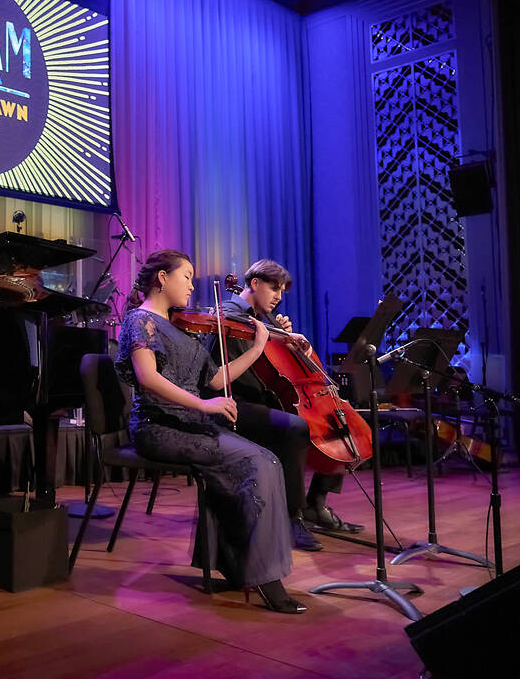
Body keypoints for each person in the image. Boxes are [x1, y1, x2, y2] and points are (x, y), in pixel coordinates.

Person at [116, 249, 306, 614]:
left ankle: (236, 566)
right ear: (162, 278)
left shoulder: (179, 326)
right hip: (159, 427)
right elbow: (148, 378)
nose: (191, 285)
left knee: (263, 459)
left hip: (190, 424)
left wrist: (258, 347)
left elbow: (216, 379)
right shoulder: (140, 321)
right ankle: (265, 576)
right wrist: (203, 405)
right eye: (186, 276)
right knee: (259, 462)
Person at [215, 260, 365, 538]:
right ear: (255, 284)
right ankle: (291, 516)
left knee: (338, 423)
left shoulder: (258, 320)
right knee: (297, 428)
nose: (278, 297)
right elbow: (240, 360)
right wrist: (275, 334)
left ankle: (316, 503)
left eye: (282, 291)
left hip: (265, 397)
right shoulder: (230, 313)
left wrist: (284, 337)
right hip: (237, 403)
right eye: (274, 288)